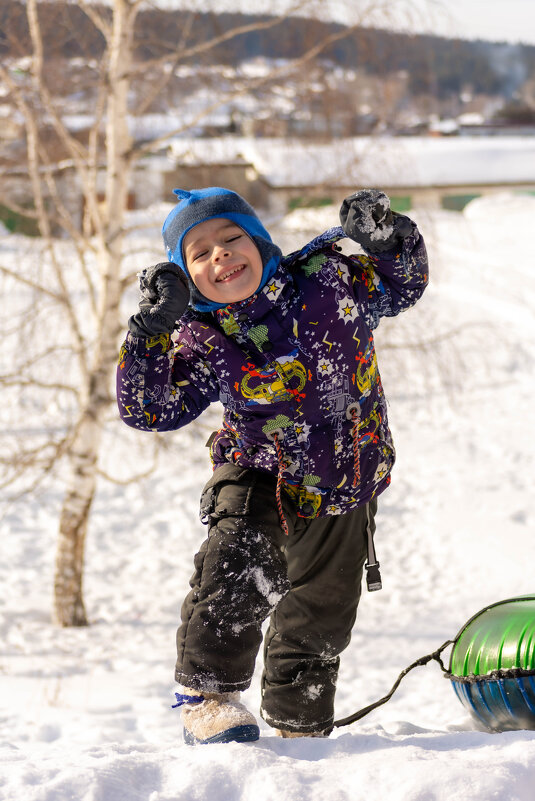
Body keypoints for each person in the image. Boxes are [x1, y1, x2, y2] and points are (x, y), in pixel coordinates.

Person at [116, 186, 428, 745]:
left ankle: (299, 723)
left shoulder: (329, 280)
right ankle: (208, 699)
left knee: (321, 610)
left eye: (232, 238)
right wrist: (151, 333)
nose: (221, 256)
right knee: (236, 561)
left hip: (345, 478)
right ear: (185, 277)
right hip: (259, 468)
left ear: (260, 241)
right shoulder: (203, 335)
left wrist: (388, 240)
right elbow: (149, 410)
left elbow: (400, 284)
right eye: (200, 253)